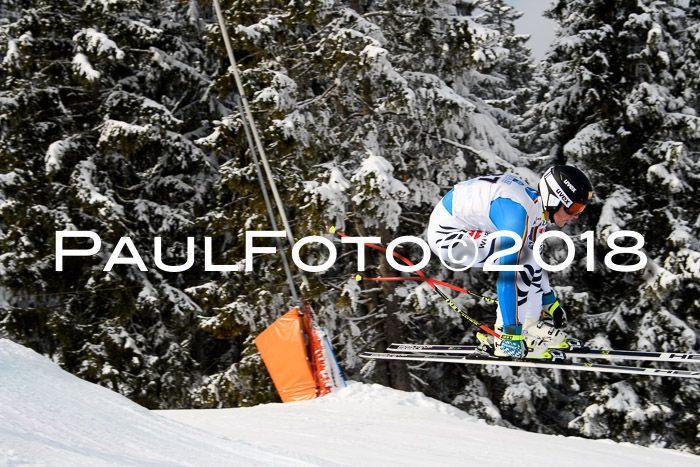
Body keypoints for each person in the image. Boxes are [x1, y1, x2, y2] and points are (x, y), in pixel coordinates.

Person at [426, 166, 593, 359]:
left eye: (580, 209)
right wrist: (511, 334)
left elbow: (536, 258)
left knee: (531, 253)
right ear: (555, 200)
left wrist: (548, 300)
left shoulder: (535, 209)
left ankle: (529, 325)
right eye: (573, 208)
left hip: (465, 225)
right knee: (520, 261)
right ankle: (505, 340)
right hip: (447, 236)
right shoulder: (517, 214)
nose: (576, 215)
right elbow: (511, 276)